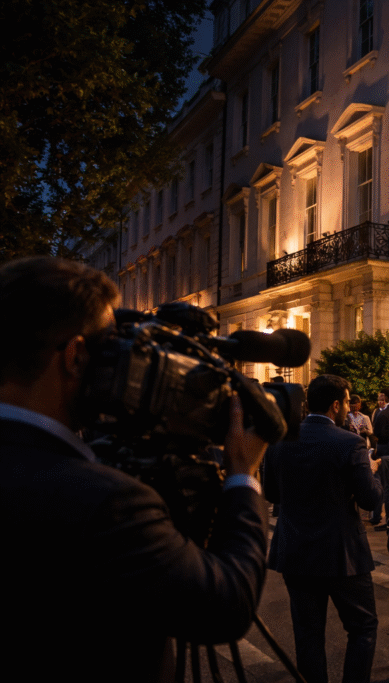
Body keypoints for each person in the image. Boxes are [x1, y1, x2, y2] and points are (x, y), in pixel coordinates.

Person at [0, 257, 269, 681]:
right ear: (75, 356)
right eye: (112, 348)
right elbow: (226, 605)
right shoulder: (107, 503)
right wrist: (241, 475)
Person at [265, 375, 382, 683]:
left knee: (307, 633)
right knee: (362, 627)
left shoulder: (281, 439)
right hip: (342, 552)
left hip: (296, 550)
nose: (347, 407)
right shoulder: (350, 443)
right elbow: (370, 498)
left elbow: (271, 494)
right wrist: (371, 472)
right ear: (335, 405)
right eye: (346, 402)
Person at [370, 388, 389, 529]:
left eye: (382, 398)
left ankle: (382, 518)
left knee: (384, 487)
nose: (380, 401)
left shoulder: (382, 414)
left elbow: (378, 433)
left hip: (384, 452)